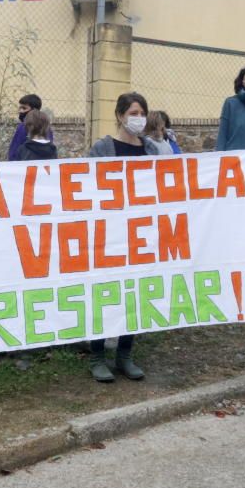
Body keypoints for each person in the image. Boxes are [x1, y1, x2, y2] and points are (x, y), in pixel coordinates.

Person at [86, 92, 163, 383]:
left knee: (135, 294)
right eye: (132, 113)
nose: (138, 118)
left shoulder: (152, 149)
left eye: (142, 112)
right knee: (104, 294)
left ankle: (125, 356)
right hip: (109, 232)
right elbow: (85, 185)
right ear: (119, 116)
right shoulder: (103, 148)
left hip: (141, 234)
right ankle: (97, 357)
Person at [8, 94, 53, 161]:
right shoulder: (47, 128)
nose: (20, 111)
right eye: (20, 108)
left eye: (24, 108)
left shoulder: (23, 127)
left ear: (34, 110)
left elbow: (14, 152)